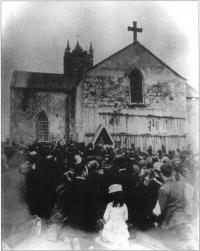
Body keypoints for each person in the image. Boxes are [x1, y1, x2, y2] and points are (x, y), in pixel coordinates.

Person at [157, 163, 191, 245]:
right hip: (183, 217)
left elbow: (162, 208)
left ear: (161, 174)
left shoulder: (163, 189)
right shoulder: (180, 184)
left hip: (171, 220)